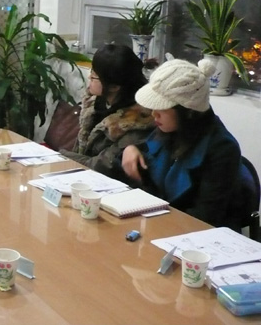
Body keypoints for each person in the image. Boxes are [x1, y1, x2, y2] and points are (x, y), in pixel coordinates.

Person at [121, 58, 256, 230]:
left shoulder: (222, 149)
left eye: (162, 108)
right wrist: (130, 150)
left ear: (188, 111)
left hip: (197, 236)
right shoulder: (170, 129)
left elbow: (205, 218)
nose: (154, 114)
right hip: (160, 226)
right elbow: (146, 175)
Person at [58, 44, 155, 176]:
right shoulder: (96, 104)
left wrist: (60, 156)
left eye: (94, 76)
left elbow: (99, 166)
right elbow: (80, 151)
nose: (89, 77)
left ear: (115, 87)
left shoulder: (136, 122)